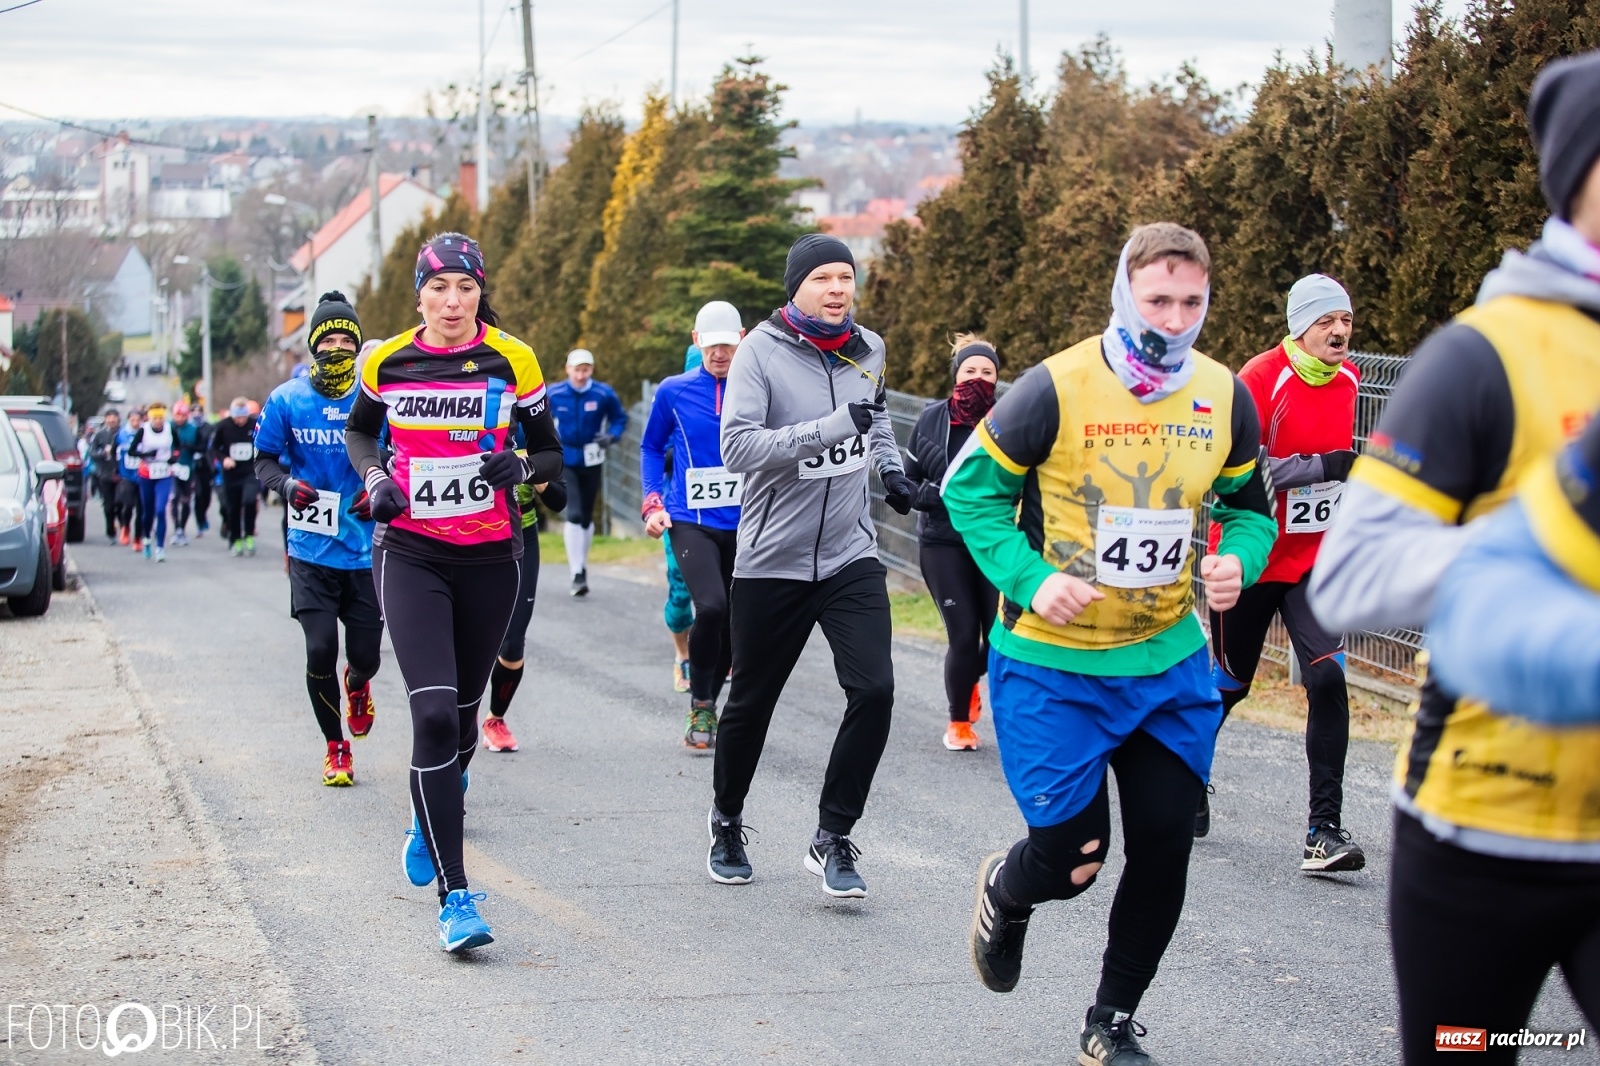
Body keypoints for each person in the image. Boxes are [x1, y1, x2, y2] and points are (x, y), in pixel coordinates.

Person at [1309, 52, 1600, 1065]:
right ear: (1578, 176)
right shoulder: (1485, 355)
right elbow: (1349, 579)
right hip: (1484, 832)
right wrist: (1537, 539)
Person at [945, 224, 1277, 1065]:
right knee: (1072, 860)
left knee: (1166, 839)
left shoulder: (1222, 393)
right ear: (1125, 294)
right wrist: (1029, 579)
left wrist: (1237, 558)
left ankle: (1111, 1020)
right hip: (1054, 666)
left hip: (1166, 660)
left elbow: (1249, 510)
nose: (1172, 319)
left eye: (1191, 302)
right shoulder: (1054, 387)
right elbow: (968, 495)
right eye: (1157, 299)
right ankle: (1007, 892)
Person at [344, 232, 562, 953]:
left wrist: (519, 465)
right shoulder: (387, 359)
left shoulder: (513, 356)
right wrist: (376, 481)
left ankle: (425, 812)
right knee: (434, 715)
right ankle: (455, 897)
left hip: (492, 557)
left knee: (464, 723)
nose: (452, 301)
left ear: (479, 292)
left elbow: (551, 452)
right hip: (409, 551)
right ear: (420, 295)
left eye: (465, 288)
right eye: (439, 288)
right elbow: (360, 434)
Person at [706, 233, 917, 898]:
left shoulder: (869, 348)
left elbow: (874, 420)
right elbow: (738, 449)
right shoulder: (759, 355)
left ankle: (832, 836)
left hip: (851, 553)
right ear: (795, 287)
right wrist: (830, 426)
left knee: (876, 689)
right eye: (822, 277)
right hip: (772, 559)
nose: (836, 289)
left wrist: (893, 470)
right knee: (752, 702)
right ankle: (727, 820)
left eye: (845, 277)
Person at [1201, 274, 1364, 869]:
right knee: (1231, 683)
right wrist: (1323, 464)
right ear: (1300, 325)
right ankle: (1186, 773)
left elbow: (1333, 473)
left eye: (1345, 320)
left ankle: (1324, 829)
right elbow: (1237, 468)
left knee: (1327, 679)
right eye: (1326, 321)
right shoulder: (1260, 379)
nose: (1339, 332)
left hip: (1311, 562)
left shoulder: (1348, 379)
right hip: (1247, 556)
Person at [254, 292, 383, 787]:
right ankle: (336, 748)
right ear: (312, 346)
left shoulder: (375, 399)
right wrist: (287, 487)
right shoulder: (288, 399)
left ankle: (358, 684)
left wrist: (379, 490)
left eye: (344, 341)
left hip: (367, 548)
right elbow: (263, 460)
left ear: (356, 347)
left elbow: (397, 456)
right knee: (318, 650)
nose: (336, 348)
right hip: (310, 547)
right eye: (326, 340)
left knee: (366, 655)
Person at [640, 300, 747, 749]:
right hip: (690, 520)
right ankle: (701, 707)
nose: (719, 354)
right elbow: (650, 446)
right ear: (696, 341)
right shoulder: (674, 390)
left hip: (748, 523)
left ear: (741, 341)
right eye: (711, 345)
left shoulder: (760, 389)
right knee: (712, 607)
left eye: (727, 345)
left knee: (733, 622)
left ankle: (713, 703)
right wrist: (652, 503)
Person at [903, 335, 1001, 751]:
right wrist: (934, 496)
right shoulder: (931, 420)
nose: (977, 378)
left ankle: (968, 681)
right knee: (963, 637)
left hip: (993, 541)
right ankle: (959, 722)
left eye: (987, 373)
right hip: (942, 543)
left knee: (1000, 639)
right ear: (955, 375)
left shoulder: (1007, 420)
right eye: (970, 371)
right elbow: (904, 482)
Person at [482, 451, 566, 754]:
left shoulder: (533, 434)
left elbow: (560, 500)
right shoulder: (474, 422)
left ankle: (495, 719)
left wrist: (536, 476)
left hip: (522, 539)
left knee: (514, 641)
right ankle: (455, 716)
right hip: (475, 538)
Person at [547, 348, 627, 596]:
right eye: (576, 369)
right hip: (566, 458)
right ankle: (576, 572)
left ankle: (582, 565)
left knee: (587, 515)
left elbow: (620, 418)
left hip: (593, 457)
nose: (580, 375)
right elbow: (537, 419)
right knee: (575, 513)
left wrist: (611, 436)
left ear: (591, 370)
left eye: (585, 369)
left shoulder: (603, 393)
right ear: (567, 369)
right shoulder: (555, 393)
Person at [211, 398, 260, 556]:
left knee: (250, 500)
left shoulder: (254, 424)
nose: (240, 421)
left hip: (250, 471)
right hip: (231, 473)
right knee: (233, 507)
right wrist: (224, 458)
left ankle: (249, 535)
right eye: (237, 417)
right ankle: (236, 539)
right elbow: (213, 448)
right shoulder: (223, 426)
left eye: (243, 417)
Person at [129, 403, 177, 561]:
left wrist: (174, 457)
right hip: (147, 474)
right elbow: (131, 450)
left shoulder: (170, 429)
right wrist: (145, 454)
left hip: (164, 473)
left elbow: (178, 446)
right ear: (150, 418)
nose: (158, 421)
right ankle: (147, 537)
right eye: (155, 418)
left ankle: (160, 548)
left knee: (161, 510)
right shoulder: (144, 430)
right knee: (147, 511)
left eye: (160, 418)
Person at [168, 401, 202, 546]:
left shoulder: (193, 429)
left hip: (188, 468)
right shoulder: (168, 427)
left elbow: (202, 447)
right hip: (171, 468)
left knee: (186, 499)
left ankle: (182, 527)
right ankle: (177, 529)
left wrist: (191, 447)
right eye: (177, 415)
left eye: (183, 416)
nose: (180, 418)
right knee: (174, 498)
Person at [89, 409, 122, 542]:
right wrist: (103, 453)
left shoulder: (123, 433)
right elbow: (92, 453)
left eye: (114, 417)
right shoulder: (100, 435)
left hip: (121, 474)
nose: (112, 420)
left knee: (121, 503)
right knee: (108, 505)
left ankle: (123, 525)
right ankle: (110, 531)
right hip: (105, 474)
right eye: (109, 417)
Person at [115, 409, 145, 550]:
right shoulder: (121, 434)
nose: (135, 423)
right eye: (132, 420)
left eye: (137, 420)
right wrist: (115, 470)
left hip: (142, 476)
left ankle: (138, 538)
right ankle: (125, 526)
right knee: (128, 505)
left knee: (141, 509)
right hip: (127, 476)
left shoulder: (145, 434)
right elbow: (114, 452)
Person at [190, 402, 215, 538]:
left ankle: (204, 514)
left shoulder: (209, 427)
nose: (196, 414)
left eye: (199, 411)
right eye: (193, 411)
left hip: (206, 464)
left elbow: (212, 445)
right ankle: (199, 522)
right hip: (193, 466)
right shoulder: (189, 428)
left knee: (206, 495)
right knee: (198, 494)